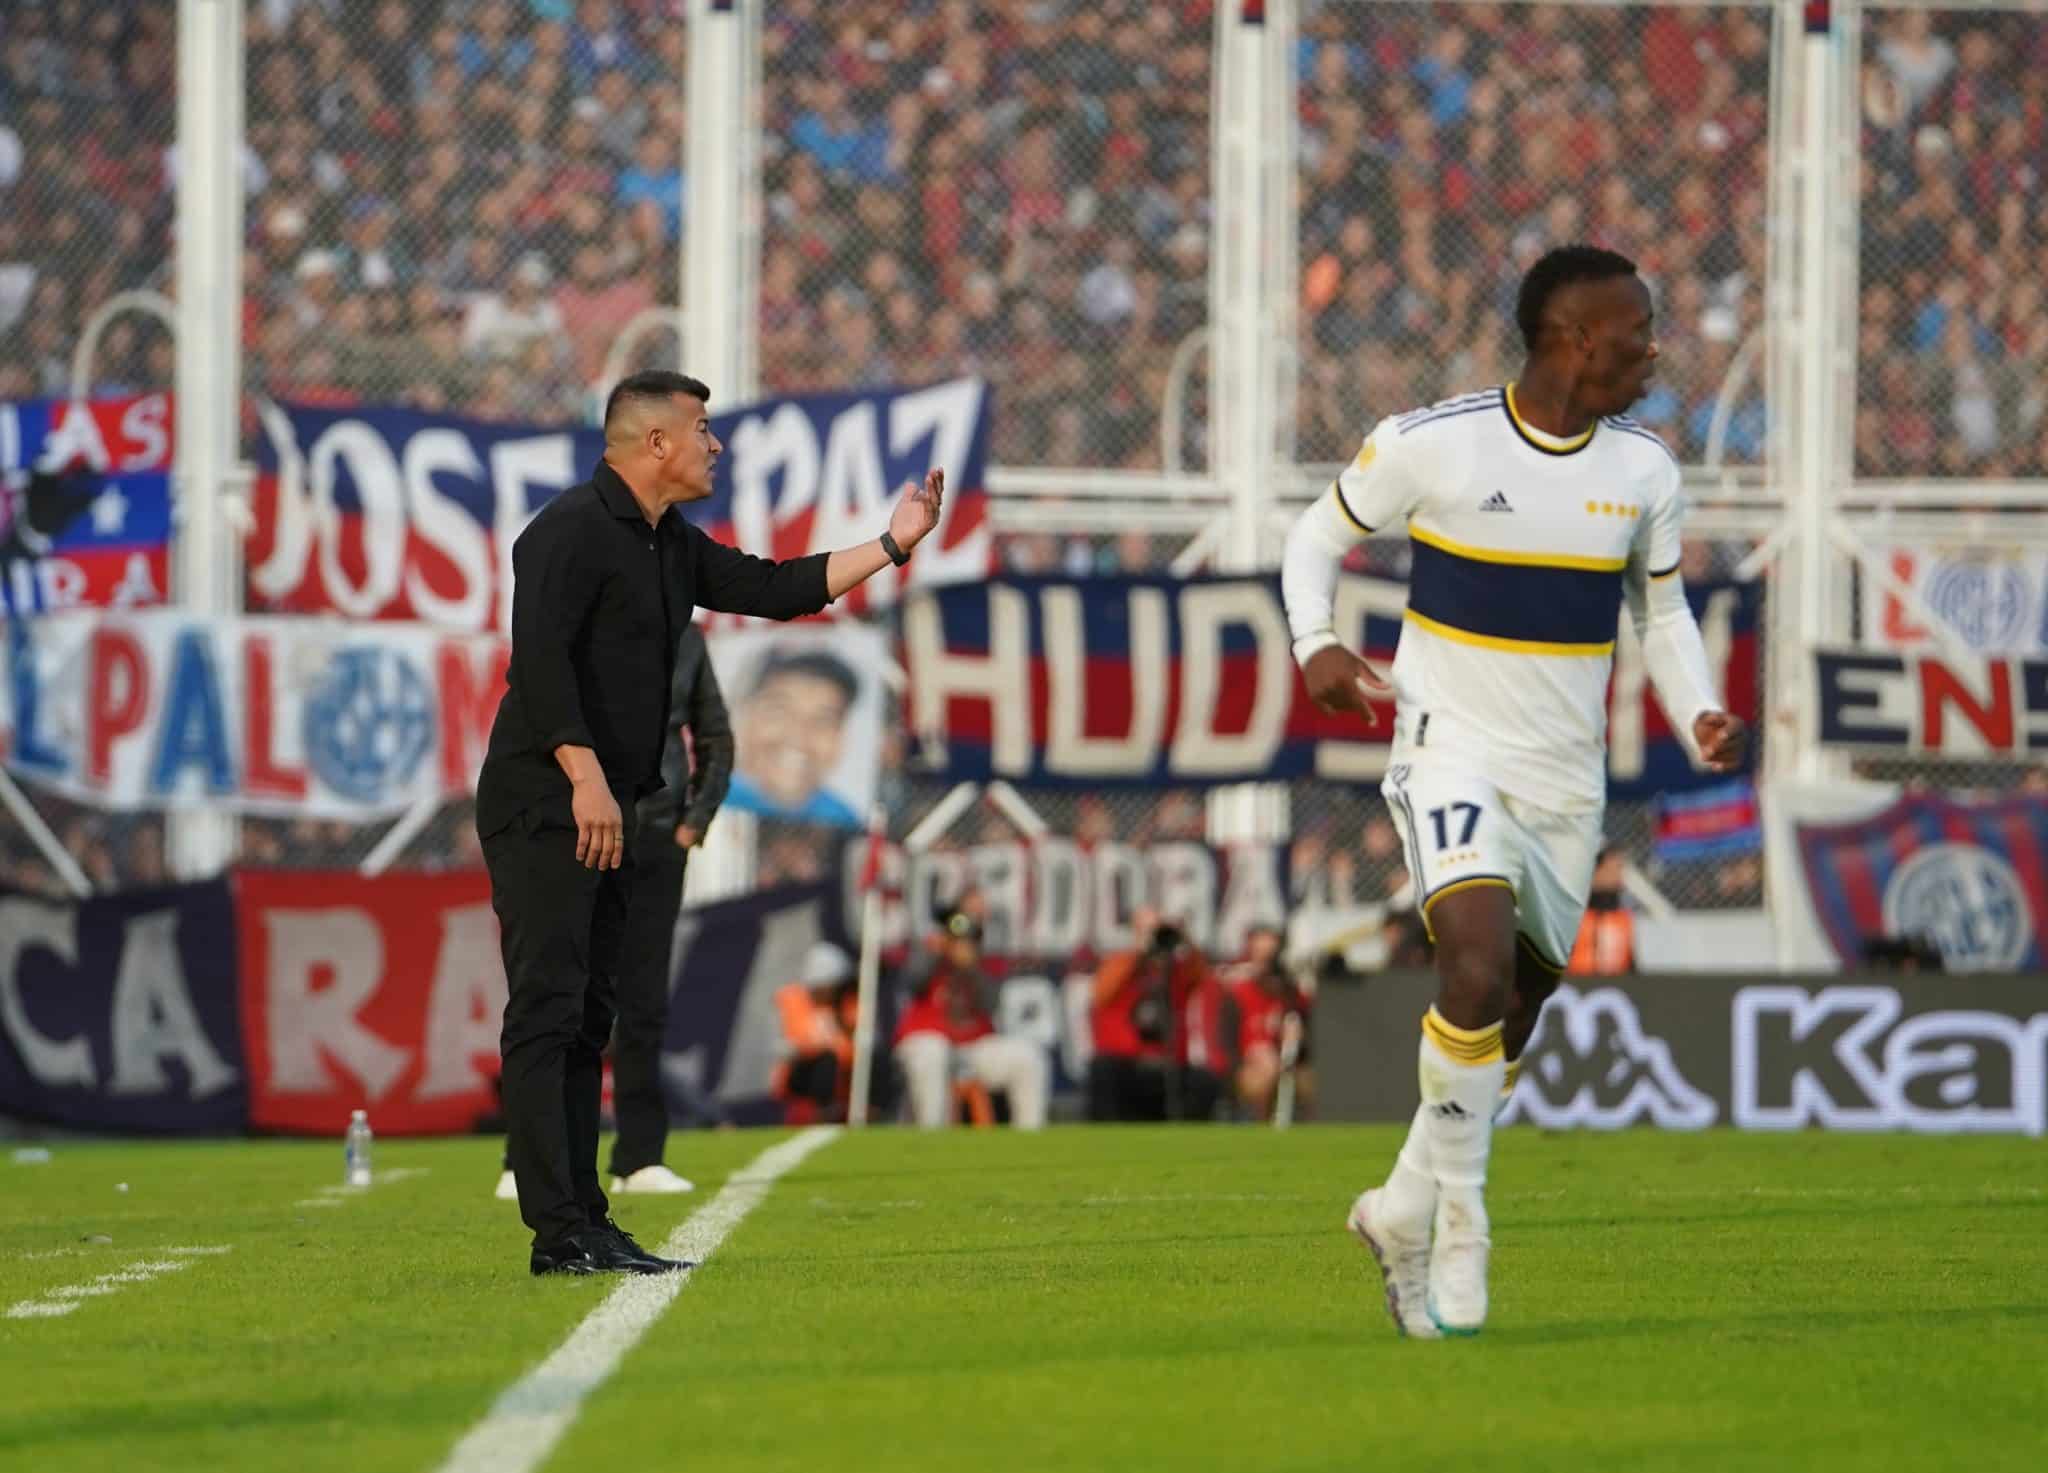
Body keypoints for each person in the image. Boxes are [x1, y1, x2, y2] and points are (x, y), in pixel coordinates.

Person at [1281, 245, 1748, 1336]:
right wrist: (1316, 646)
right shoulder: (1429, 446)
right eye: (1634, 329)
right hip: (1447, 748)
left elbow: (1662, 614)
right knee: (1475, 967)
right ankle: (1461, 1225)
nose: (1651, 348)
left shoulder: (1643, 473)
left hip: (1562, 779)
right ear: (1572, 338)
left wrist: (1697, 709)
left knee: (1514, 1011)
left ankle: (1399, 1205)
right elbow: (1315, 535)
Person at [477, 368, 943, 1277]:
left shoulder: (669, 542)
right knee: (548, 1004)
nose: (714, 444)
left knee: (588, 1015)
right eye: (702, 428)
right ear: (656, 443)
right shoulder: (565, 532)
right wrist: (584, 778)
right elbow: (538, 666)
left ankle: (585, 1216)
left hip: (608, 809)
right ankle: (556, 1226)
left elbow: (777, 588)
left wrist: (892, 542)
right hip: (548, 802)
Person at [892, 908, 1049, 1129]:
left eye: (968, 941)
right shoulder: (929, 959)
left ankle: (1031, 1139)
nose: (962, 946)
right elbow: (912, 981)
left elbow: (991, 1004)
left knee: (1027, 1057)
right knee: (934, 1052)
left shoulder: (981, 969)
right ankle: (933, 1137)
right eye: (956, 940)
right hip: (925, 1044)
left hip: (972, 1049)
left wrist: (972, 969)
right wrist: (938, 952)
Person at [1087, 906, 1214, 1121]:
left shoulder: (1175, 970)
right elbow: (1100, 994)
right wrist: (1139, 951)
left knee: (1204, 1081)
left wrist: (1181, 936)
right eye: (1145, 929)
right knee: (1102, 1070)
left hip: (1168, 1067)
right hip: (1127, 1066)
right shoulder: (1120, 963)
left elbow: (1202, 973)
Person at [726, 646, 861, 825]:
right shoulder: (702, 802)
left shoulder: (844, 820)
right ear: (744, 716)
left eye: (823, 720)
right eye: (780, 712)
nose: (799, 736)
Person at [1226, 925, 1313, 1122]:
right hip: (1250, 1069)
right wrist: (1249, 1057)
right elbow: (1226, 1043)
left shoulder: (1292, 997)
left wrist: (1299, 1039)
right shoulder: (1238, 994)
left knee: (1309, 1083)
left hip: (1289, 1067)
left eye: (1271, 957)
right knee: (1265, 1076)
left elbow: (1309, 1043)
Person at [771, 941, 860, 1124]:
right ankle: (822, 1112)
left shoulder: (847, 1006)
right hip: (803, 1079)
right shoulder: (794, 1001)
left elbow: (856, 1048)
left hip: (842, 1082)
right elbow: (791, 1046)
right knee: (825, 1059)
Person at [1567, 845, 1636, 976]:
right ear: (1596, 871)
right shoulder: (1575, 916)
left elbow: (1631, 965)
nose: (1620, 876)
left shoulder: (1623, 919)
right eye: (1615, 868)